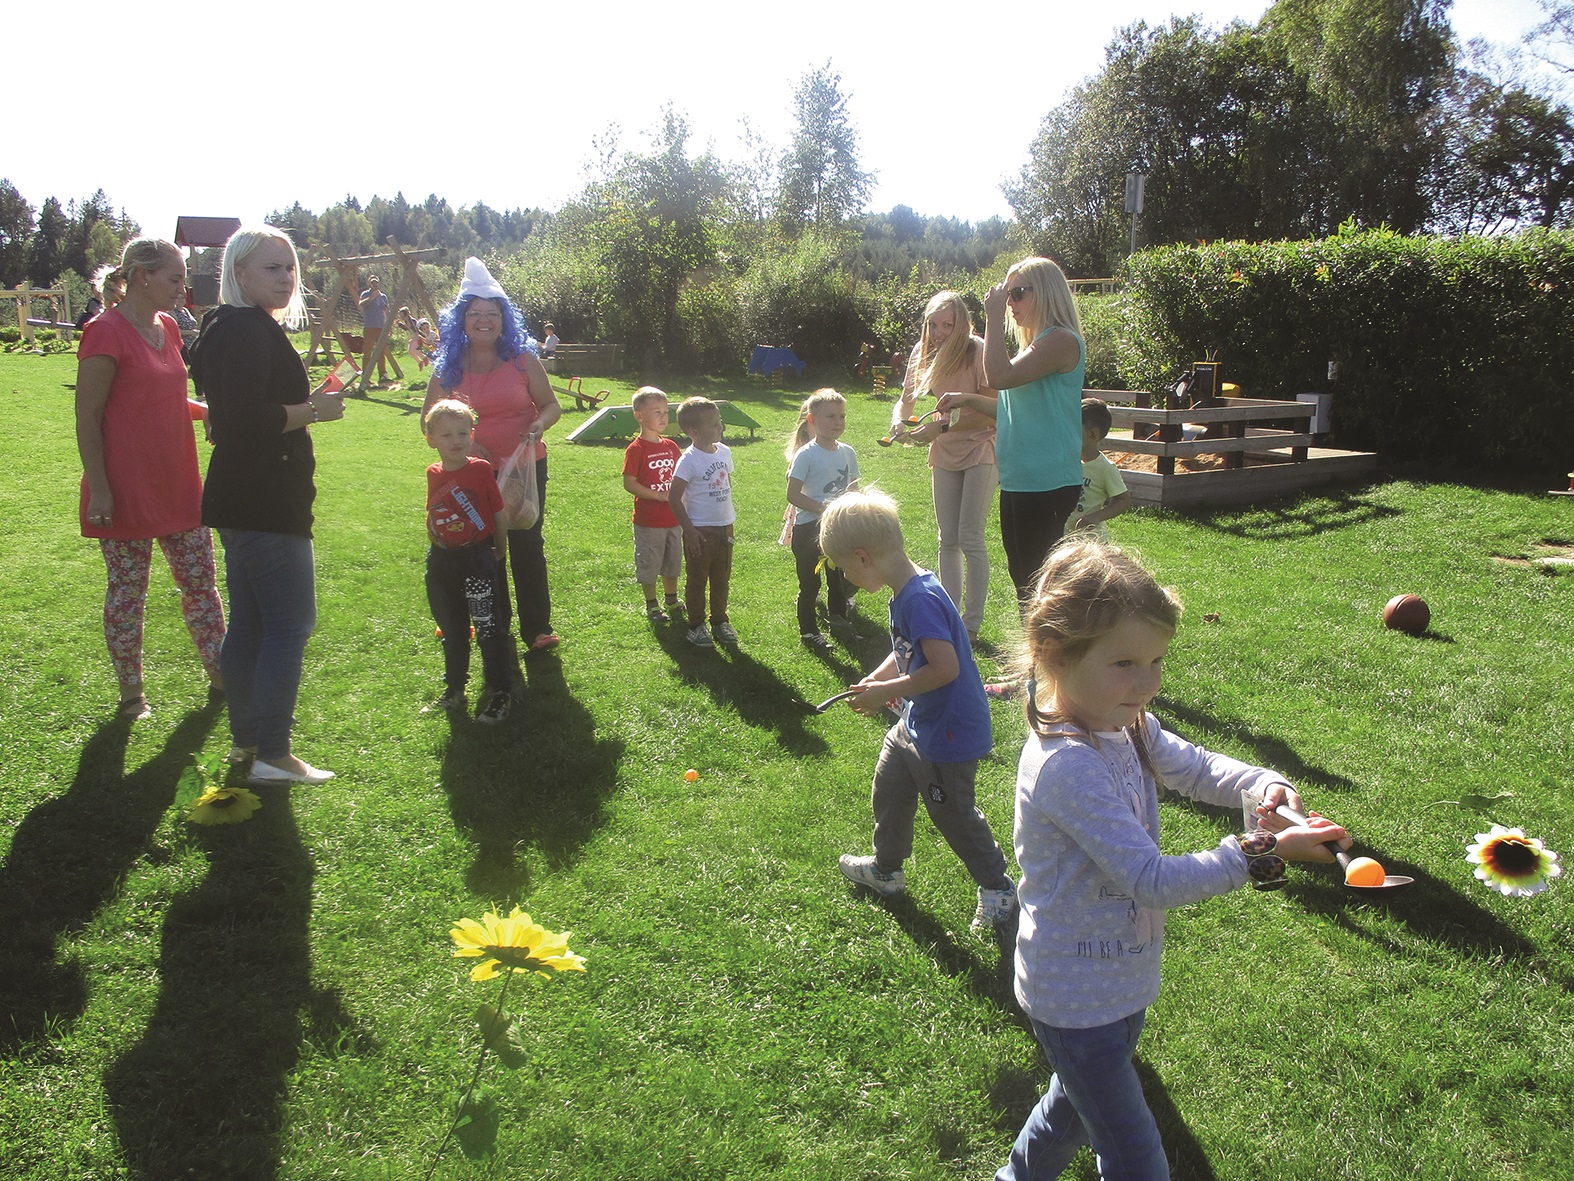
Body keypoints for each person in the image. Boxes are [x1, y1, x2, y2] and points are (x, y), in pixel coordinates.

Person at [997, 539, 1351, 1181]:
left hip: (1120, 981)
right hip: (1073, 997)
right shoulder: (1066, 765)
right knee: (1135, 1157)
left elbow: (1195, 768)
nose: (1148, 682)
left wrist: (1261, 784)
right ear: (1054, 655)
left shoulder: (1125, 722)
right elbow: (1149, 880)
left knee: (1071, 1112)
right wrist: (1264, 853)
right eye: (1125, 662)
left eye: (1157, 660)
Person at [191, 225, 346, 786]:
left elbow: (238, 408)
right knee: (288, 624)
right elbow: (237, 420)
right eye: (271, 268)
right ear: (238, 274)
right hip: (262, 498)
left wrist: (305, 405)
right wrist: (312, 412)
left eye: (289, 267)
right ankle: (273, 754)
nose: (285, 277)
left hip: (247, 497)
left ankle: (249, 745)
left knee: (253, 625)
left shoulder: (235, 327)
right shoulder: (244, 330)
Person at [823, 489, 1018, 933]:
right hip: (917, 724)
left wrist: (884, 693)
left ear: (862, 557)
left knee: (954, 816)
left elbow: (945, 669)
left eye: (845, 570)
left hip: (947, 733)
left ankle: (998, 888)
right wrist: (877, 680)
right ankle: (887, 870)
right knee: (889, 789)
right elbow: (907, 650)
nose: (847, 578)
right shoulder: (907, 587)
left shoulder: (919, 598)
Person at [75, 237, 225, 720]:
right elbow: (89, 416)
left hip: (178, 480)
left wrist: (209, 413)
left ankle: (221, 674)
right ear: (142, 277)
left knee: (201, 582)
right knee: (127, 593)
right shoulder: (105, 332)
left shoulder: (168, 328)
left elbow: (160, 398)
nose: (183, 289)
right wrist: (100, 487)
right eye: (175, 279)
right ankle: (132, 694)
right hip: (124, 487)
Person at [423, 258, 562, 654]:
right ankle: (492, 623)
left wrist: (538, 426)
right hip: (470, 473)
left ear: (505, 320)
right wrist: (469, 445)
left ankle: (537, 628)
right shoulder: (446, 369)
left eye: (492, 314)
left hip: (524, 467)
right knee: (478, 548)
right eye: (475, 314)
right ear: (461, 320)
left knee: (525, 543)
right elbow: (428, 422)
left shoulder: (523, 361)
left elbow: (551, 406)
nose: (484, 321)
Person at [937, 257, 1085, 608]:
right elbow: (1008, 410)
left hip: (1048, 481)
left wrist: (991, 317)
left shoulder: (1059, 340)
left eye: (1017, 294)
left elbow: (998, 378)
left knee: (1041, 586)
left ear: (1046, 292)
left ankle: (1050, 659)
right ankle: (1038, 660)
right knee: (1024, 579)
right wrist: (967, 400)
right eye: (1008, 296)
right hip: (1021, 479)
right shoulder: (1036, 347)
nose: (1009, 305)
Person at [892, 291, 998, 644]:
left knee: (970, 537)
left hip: (981, 444)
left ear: (962, 325)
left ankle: (971, 623)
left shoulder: (978, 350)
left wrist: (937, 428)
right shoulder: (922, 352)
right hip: (945, 448)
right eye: (932, 325)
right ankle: (951, 615)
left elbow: (989, 408)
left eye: (946, 326)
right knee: (947, 538)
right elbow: (905, 401)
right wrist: (899, 422)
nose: (938, 333)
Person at [422, 399, 511, 724]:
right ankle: (455, 689)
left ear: (472, 434)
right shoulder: (432, 473)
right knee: (452, 628)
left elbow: (498, 512)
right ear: (430, 438)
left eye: (462, 433)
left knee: (488, 629)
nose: (455, 441)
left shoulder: (479, 469)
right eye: (446, 435)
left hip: (476, 560)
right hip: (441, 563)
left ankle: (501, 692)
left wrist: (499, 549)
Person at [786, 389, 859, 651]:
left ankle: (839, 623)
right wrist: (822, 508)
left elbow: (853, 488)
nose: (838, 421)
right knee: (810, 583)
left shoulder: (848, 452)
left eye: (841, 416)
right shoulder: (806, 454)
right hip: (808, 530)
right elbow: (793, 495)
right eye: (830, 416)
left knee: (838, 579)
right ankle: (809, 632)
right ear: (812, 420)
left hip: (837, 527)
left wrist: (851, 511)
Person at [668, 396, 736, 648]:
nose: (720, 427)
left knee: (722, 577)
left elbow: (726, 482)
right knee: (698, 579)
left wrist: (727, 517)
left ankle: (720, 620)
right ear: (694, 431)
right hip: (700, 530)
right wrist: (689, 530)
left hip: (725, 527)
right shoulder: (689, 460)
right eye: (714, 424)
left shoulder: (725, 452)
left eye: (719, 422)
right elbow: (673, 497)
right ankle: (696, 625)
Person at [622, 386, 684, 624]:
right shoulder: (636, 449)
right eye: (656, 412)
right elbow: (629, 483)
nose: (663, 417)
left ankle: (671, 598)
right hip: (649, 521)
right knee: (649, 562)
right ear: (639, 415)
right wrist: (657, 496)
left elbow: (681, 475)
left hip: (673, 519)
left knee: (672, 561)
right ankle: (652, 604)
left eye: (665, 412)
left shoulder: (670, 445)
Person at [1071, 398, 1132, 541]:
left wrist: (1096, 516)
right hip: (1064, 539)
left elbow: (1123, 500)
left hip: (1091, 542)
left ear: (1092, 434)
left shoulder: (1105, 468)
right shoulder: (1067, 461)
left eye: (1073, 428)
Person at [358, 274, 390, 386]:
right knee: (368, 351)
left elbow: (386, 311)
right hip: (370, 326)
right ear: (369, 283)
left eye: (376, 282)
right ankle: (366, 375)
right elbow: (361, 305)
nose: (374, 284)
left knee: (381, 350)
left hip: (381, 327)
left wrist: (389, 326)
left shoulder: (383, 297)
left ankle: (383, 374)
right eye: (372, 282)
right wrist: (371, 298)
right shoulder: (365, 294)